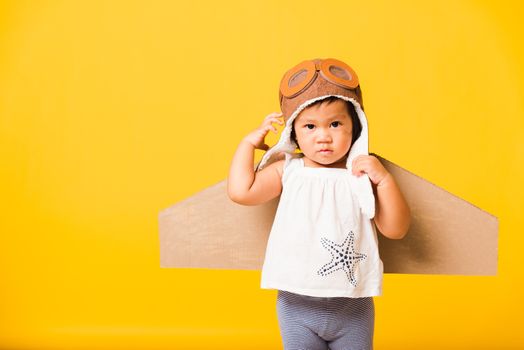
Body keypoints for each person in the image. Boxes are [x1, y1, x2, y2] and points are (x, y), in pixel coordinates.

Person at [227, 58, 410, 350]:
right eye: (310, 126)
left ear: (355, 127)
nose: (323, 136)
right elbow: (241, 191)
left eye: (335, 124)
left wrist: (385, 181)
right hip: (297, 305)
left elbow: (396, 229)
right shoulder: (290, 171)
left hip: (352, 305)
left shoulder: (361, 173)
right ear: (294, 132)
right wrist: (247, 145)